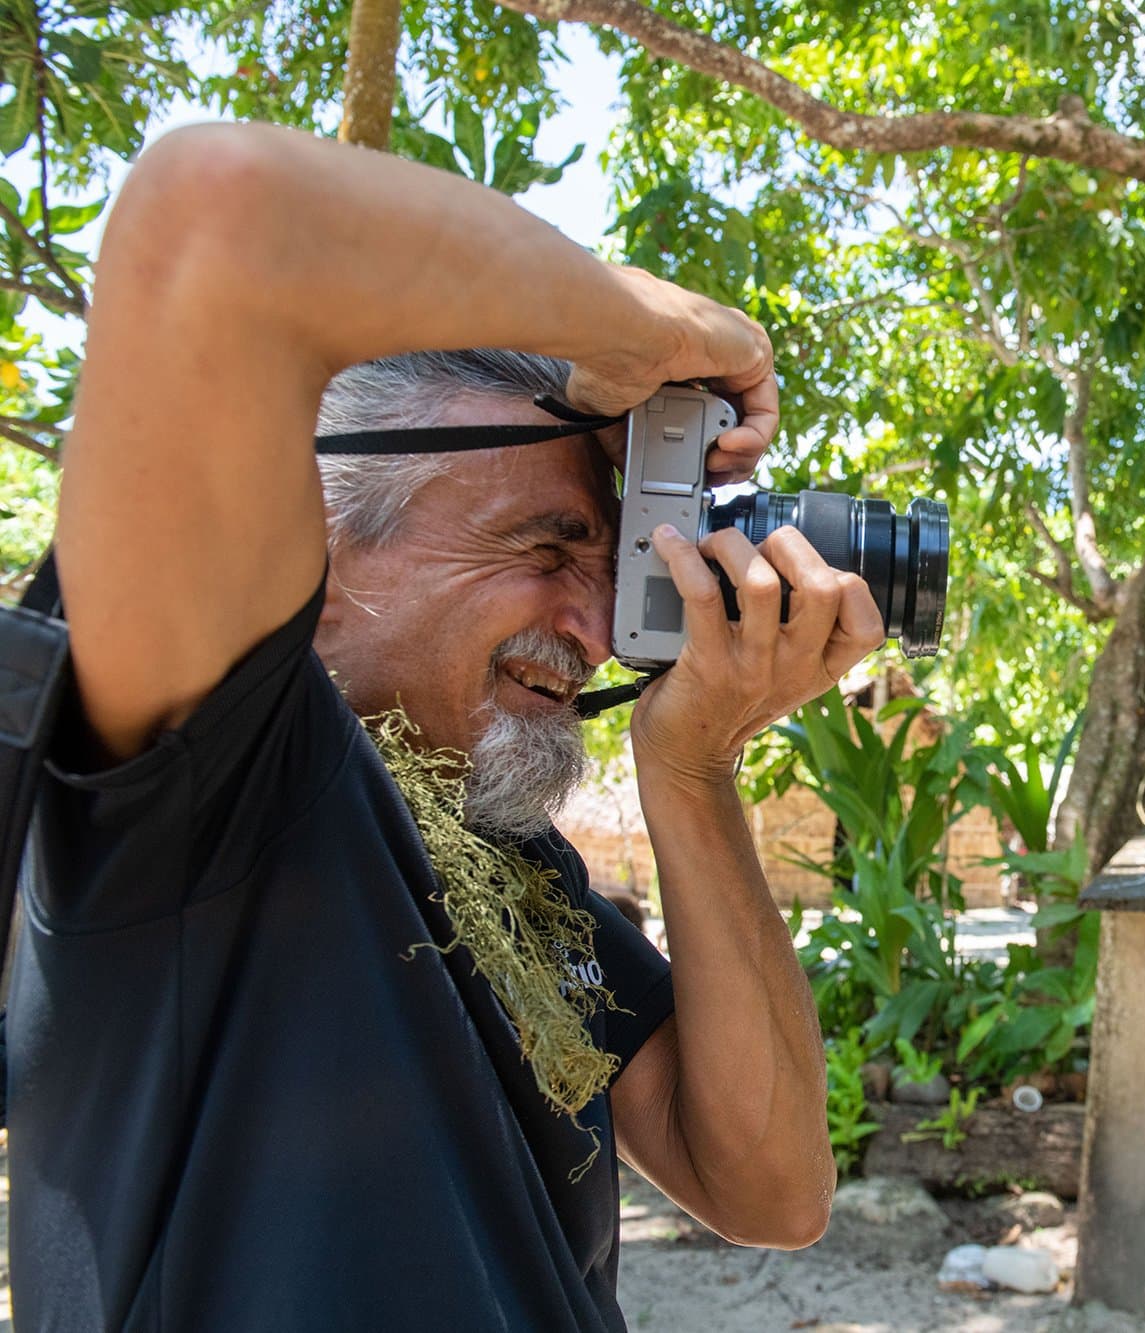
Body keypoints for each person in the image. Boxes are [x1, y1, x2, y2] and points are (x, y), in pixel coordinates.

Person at [5, 121, 881, 1331]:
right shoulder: (205, 776)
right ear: (320, 526)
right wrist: (646, 335)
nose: (597, 628)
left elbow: (770, 1187)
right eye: (547, 545)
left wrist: (690, 767)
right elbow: (217, 213)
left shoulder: (507, 861)